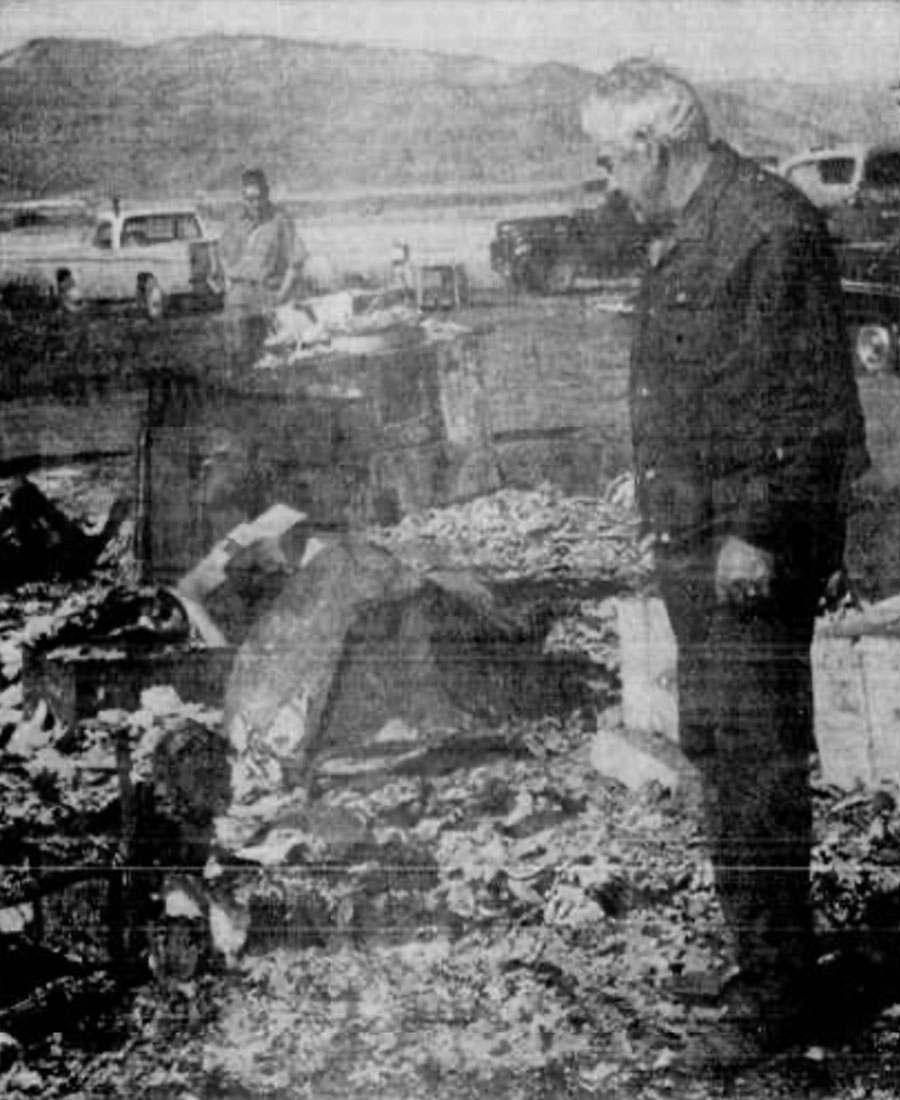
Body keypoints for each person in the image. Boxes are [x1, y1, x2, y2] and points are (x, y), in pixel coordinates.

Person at [581, 60, 869, 1058]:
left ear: (654, 150)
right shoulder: (684, 231)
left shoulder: (769, 229)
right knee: (720, 752)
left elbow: (813, 407)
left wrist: (758, 526)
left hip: (747, 554)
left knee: (757, 772)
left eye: (613, 161)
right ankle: (760, 958)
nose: (610, 183)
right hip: (697, 548)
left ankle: (781, 1005)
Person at [220, 168, 307, 310]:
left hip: (266, 296)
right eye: (250, 199)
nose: (256, 204)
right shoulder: (235, 221)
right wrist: (229, 285)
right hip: (236, 298)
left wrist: (280, 297)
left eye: (259, 198)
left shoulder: (281, 221)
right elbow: (223, 254)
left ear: (267, 193)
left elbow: (296, 264)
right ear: (243, 197)